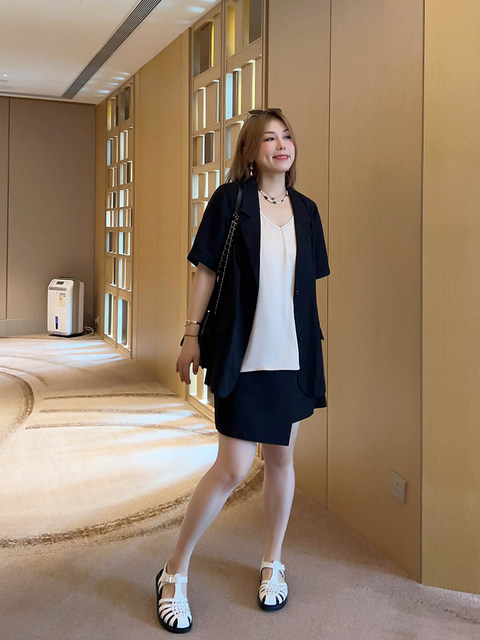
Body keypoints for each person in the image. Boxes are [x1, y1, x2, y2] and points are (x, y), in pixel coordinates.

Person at [155, 108, 329, 633]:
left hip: (292, 358)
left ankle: (273, 562)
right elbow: (206, 270)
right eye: (269, 138)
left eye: (287, 136)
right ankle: (173, 571)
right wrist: (190, 335)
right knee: (231, 468)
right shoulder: (230, 200)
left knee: (281, 460)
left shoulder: (307, 210)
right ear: (252, 150)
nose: (282, 145)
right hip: (242, 355)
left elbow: (304, 288)